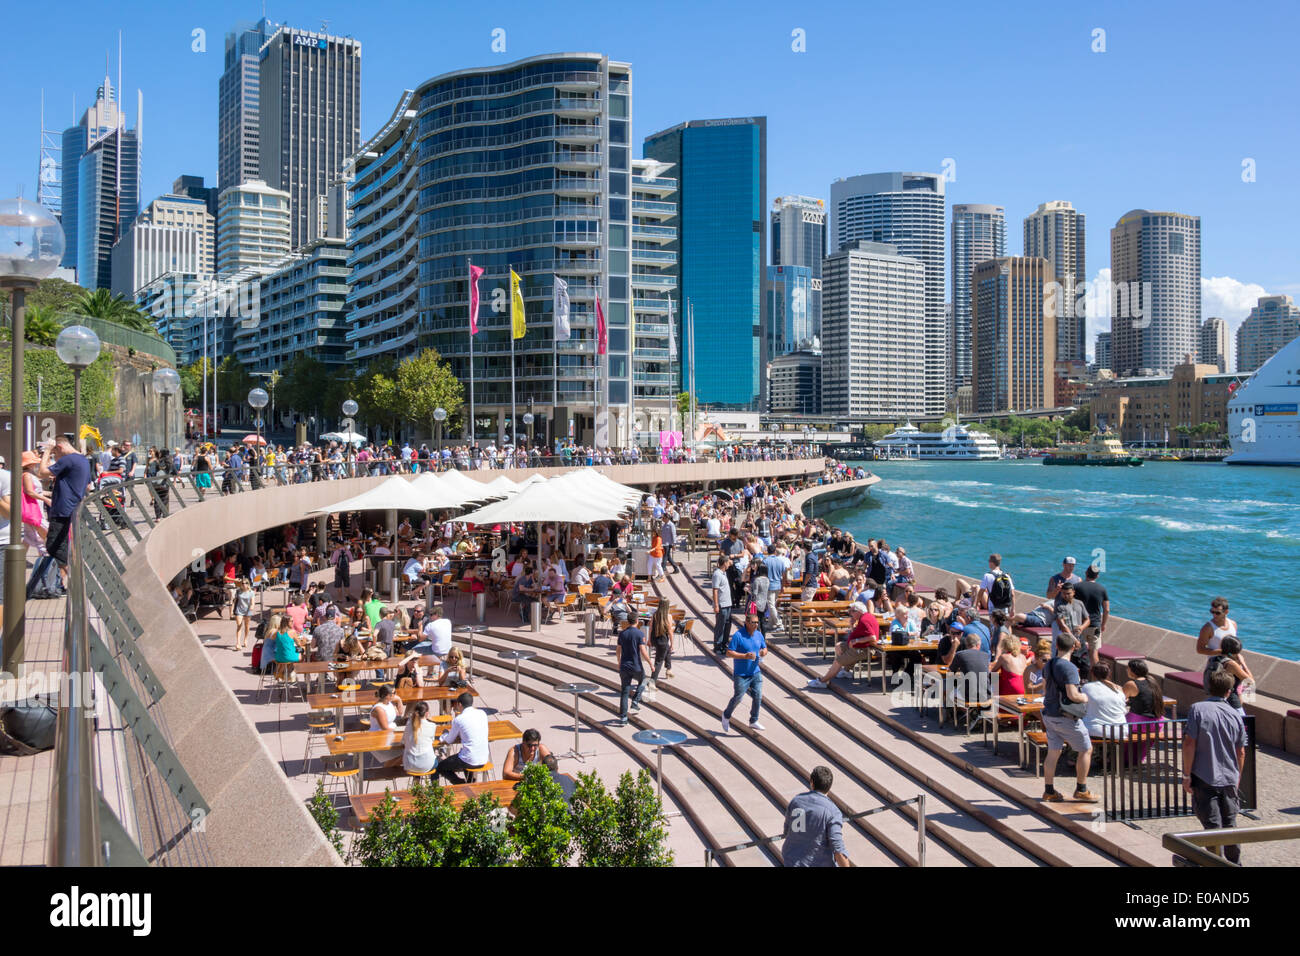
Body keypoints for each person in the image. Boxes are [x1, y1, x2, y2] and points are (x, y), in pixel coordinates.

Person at [1181, 668, 1249, 864]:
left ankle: (1214, 862)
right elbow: (1241, 751)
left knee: (1212, 826)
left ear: (1208, 688)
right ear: (1230, 691)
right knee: (1230, 824)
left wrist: (1186, 775)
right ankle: (1235, 863)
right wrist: (1237, 777)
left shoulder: (1197, 709)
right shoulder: (1235, 715)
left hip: (1203, 775)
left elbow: (1189, 743)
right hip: (1229, 777)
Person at [28, 434, 92, 598]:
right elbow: (89, 486)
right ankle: (70, 578)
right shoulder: (82, 459)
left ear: (60, 447)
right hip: (71, 506)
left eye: (55, 453)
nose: (55, 457)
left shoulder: (68, 459)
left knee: (53, 545)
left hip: (63, 508)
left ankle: (72, 577)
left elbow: (42, 472)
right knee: (63, 545)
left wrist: (47, 450)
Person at [1041, 633, 1099, 803]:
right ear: (1074, 647)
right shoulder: (1070, 668)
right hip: (1065, 716)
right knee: (1086, 750)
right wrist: (1085, 698)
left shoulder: (1049, 664)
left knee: (1053, 752)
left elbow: (1046, 688)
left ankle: (1049, 790)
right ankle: (1081, 789)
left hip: (1049, 714)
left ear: (1057, 646)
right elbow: (1072, 695)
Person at [781, 766, 851, 867]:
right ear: (829, 786)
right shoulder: (832, 811)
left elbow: (787, 831)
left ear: (812, 782)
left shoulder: (796, 801)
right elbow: (838, 849)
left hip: (791, 861)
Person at [806, 602, 877, 689]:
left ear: (858, 612)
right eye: (849, 612)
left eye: (852, 612)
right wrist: (852, 625)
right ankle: (846, 671)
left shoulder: (864, 620)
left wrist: (856, 640)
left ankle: (822, 681)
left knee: (837, 662)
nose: (850, 614)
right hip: (858, 646)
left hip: (862, 649)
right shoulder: (865, 617)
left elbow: (873, 637)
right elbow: (859, 633)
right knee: (839, 646)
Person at [721, 612, 767, 734]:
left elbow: (764, 648)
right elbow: (729, 653)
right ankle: (726, 715)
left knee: (758, 696)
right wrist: (745, 656)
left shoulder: (758, 634)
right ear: (747, 623)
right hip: (741, 674)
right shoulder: (738, 636)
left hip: (755, 672)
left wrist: (763, 652)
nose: (756, 625)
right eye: (753, 622)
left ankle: (753, 720)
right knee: (738, 698)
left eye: (757, 622)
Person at [437, 692, 489, 784]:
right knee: (464, 755)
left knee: (441, 767)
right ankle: (470, 783)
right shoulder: (482, 713)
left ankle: (460, 784)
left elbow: (449, 740)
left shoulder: (459, 719)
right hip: (484, 757)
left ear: (459, 704)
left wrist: (444, 735)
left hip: (469, 759)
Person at [1203, 635, 1254, 716]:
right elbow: (1250, 681)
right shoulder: (1231, 664)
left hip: (1215, 698)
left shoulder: (1212, 659)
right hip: (1232, 702)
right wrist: (1243, 663)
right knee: (1243, 725)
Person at [616, 614, 650, 727]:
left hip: (624, 666)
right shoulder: (639, 633)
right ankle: (635, 700)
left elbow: (618, 650)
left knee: (624, 692)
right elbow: (643, 651)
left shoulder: (622, 633)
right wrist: (650, 663)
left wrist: (619, 662)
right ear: (637, 621)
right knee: (644, 680)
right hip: (636, 666)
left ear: (628, 621)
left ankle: (623, 718)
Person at [1073, 565, 1110, 666]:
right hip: (1095, 625)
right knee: (1094, 652)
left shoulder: (1077, 587)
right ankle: (1096, 678)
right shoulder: (1102, 589)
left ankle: (1078, 678)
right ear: (1097, 576)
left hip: (1080, 625)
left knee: (1077, 651)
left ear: (1086, 573)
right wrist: (1103, 624)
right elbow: (1106, 609)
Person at [1081, 662, 1130, 739]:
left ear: (1092, 673)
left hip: (1094, 730)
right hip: (1120, 732)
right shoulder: (1119, 691)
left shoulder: (1087, 687)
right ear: (1109, 674)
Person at [368, 685, 406, 769]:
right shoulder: (379, 709)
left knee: (409, 750)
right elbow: (385, 728)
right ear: (387, 696)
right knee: (407, 752)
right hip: (380, 737)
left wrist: (399, 700)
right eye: (394, 693)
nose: (396, 695)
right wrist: (400, 732)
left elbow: (400, 713)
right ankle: (385, 770)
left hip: (390, 734)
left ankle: (389, 769)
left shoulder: (389, 703)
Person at [401, 701, 439, 775]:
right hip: (426, 764)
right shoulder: (432, 726)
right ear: (427, 713)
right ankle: (434, 785)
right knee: (437, 764)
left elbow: (403, 742)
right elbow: (431, 741)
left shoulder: (408, 725)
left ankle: (417, 783)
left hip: (409, 764)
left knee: (417, 764)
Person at [990, 631, 1027, 696]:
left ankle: (994, 700)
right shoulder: (1023, 657)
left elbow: (993, 671)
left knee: (994, 678)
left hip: (1011, 687)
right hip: (1023, 687)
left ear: (1005, 645)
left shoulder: (1004, 657)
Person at [710, 556, 734, 655]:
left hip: (728, 604)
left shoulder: (724, 573)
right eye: (728, 562)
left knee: (727, 625)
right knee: (720, 626)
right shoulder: (717, 574)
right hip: (722, 604)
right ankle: (718, 646)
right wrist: (716, 605)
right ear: (724, 563)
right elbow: (715, 590)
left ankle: (724, 643)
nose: (729, 563)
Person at [648, 601, 674, 682]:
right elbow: (670, 632)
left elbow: (650, 628)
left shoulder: (655, 614)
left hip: (654, 639)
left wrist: (649, 640)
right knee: (658, 662)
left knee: (667, 650)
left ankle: (668, 669)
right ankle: (652, 682)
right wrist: (672, 644)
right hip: (662, 641)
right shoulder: (668, 616)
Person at [231, 577, 255, 651]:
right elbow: (234, 601)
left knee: (247, 626)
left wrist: (252, 607)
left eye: (246, 583)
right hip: (239, 610)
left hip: (248, 611)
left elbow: (252, 603)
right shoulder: (238, 591)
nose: (244, 584)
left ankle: (245, 639)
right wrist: (232, 611)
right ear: (241, 584)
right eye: (242, 583)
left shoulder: (251, 592)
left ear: (248, 584)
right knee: (239, 625)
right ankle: (238, 643)